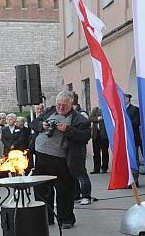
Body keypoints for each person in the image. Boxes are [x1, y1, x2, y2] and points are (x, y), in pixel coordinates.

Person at [31, 91, 91, 228]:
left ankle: (66, 219)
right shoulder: (49, 111)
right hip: (41, 156)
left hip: (62, 159)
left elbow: (85, 136)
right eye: (58, 104)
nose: (60, 108)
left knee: (64, 190)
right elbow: (34, 123)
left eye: (64, 105)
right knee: (41, 189)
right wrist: (43, 126)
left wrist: (67, 129)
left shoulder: (79, 119)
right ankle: (46, 218)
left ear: (71, 104)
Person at [89, 105, 109, 174]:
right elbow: (90, 118)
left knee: (105, 152)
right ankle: (96, 168)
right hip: (96, 134)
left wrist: (103, 118)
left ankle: (104, 168)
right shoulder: (95, 109)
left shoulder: (107, 109)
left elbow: (108, 118)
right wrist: (98, 118)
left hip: (104, 134)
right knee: (96, 152)